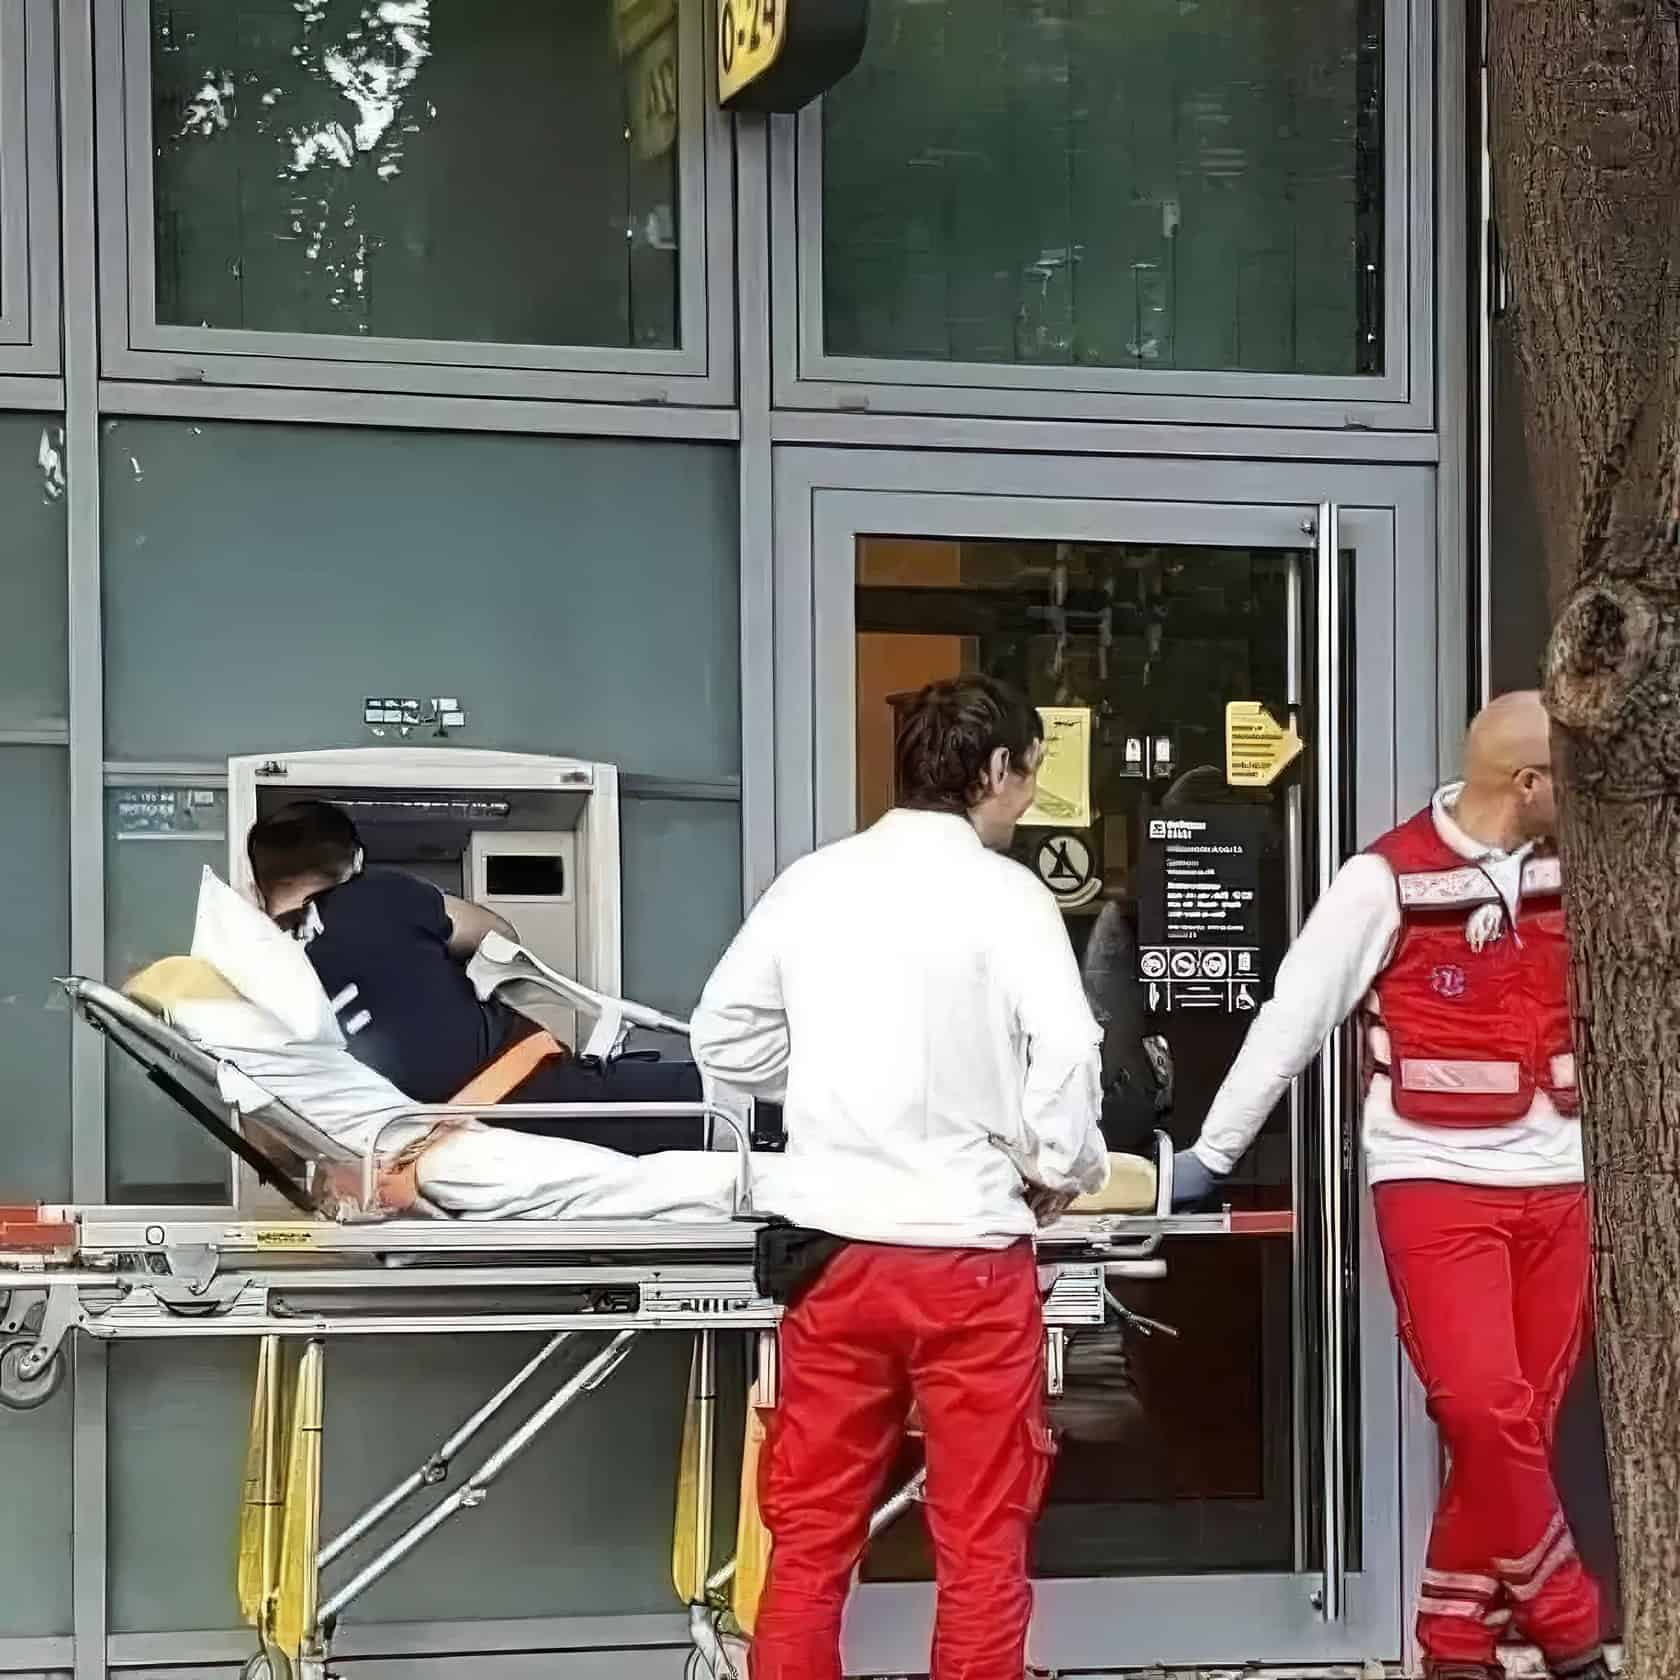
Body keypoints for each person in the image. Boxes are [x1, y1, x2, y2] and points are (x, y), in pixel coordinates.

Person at [1174, 691, 1605, 1680]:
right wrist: (1214, 1155)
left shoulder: (1583, 864)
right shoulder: (1384, 879)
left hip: (1563, 1181)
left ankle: (1454, 1649)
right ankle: (1571, 1627)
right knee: (1479, 1408)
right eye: (1567, 778)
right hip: (1435, 1180)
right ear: (1528, 784)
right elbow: (1294, 1016)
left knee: (1519, 1430)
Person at [689, 674, 1109, 1680]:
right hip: (967, 1258)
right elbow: (1068, 1052)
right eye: (1030, 773)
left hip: (832, 1253)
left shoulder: (812, 883)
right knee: (981, 1538)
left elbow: (723, 1038)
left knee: (810, 1535)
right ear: (997, 770)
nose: (1028, 795)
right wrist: (1061, 1166)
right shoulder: (1009, 897)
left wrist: (832, 1082)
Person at [245, 801, 703, 1153]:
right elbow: (498, 936)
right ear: (357, 860)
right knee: (715, 1093)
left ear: (258, 889)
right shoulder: (378, 892)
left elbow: (267, 1130)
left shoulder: (263, 973)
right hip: (532, 1097)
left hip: (426, 1140)